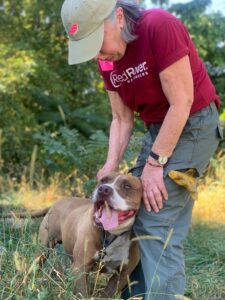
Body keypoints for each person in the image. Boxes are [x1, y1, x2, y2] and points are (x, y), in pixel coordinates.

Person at [61, 0, 223, 299]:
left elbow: (182, 102)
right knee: (130, 203)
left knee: (155, 217)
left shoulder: (158, 27)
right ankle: (135, 295)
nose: (97, 54)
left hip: (194, 124)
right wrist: (110, 164)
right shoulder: (108, 57)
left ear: (119, 17)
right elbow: (121, 118)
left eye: (98, 42)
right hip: (158, 128)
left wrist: (154, 164)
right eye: (89, 48)